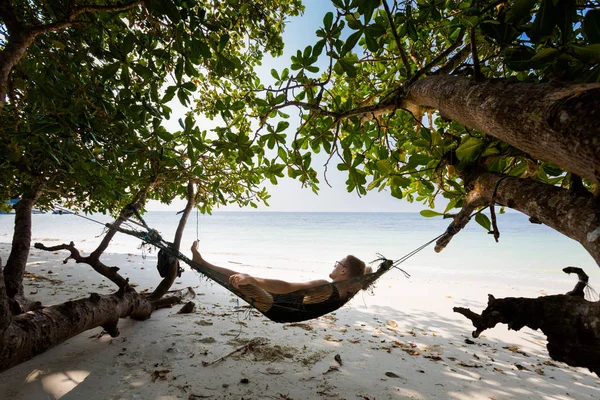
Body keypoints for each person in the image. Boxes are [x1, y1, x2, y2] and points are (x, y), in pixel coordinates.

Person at [190, 241, 371, 322]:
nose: (334, 265)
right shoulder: (350, 289)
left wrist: (252, 279)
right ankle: (203, 262)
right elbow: (367, 273)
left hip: (275, 306)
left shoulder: (325, 286)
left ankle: (202, 263)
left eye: (337, 263)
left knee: (240, 279)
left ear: (343, 270)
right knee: (242, 276)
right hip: (284, 309)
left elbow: (286, 287)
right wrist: (375, 271)